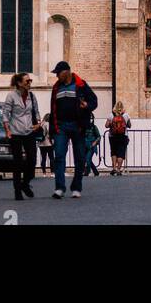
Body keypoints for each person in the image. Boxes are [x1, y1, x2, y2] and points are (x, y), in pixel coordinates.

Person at [49, 61, 98, 199]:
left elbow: (94, 101)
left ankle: (76, 187)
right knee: (59, 156)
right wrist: (53, 128)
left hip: (78, 126)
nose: (57, 76)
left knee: (80, 158)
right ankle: (59, 187)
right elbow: (52, 109)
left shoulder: (81, 85)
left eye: (58, 73)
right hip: (61, 126)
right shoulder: (56, 88)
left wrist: (87, 105)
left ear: (66, 72)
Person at [2, 70, 42, 200]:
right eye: (27, 81)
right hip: (15, 133)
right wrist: (7, 130)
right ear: (19, 83)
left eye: (30, 81)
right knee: (17, 162)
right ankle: (17, 190)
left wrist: (38, 123)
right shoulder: (11, 96)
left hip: (29, 131)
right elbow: (5, 114)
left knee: (32, 160)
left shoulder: (32, 96)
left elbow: (35, 111)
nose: (30, 83)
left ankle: (25, 183)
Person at [105, 102, 131, 175]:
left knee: (113, 151)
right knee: (121, 152)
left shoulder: (111, 115)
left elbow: (106, 125)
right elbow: (129, 125)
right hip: (123, 136)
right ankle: (119, 169)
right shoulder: (126, 115)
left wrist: (111, 125)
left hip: (112, 136)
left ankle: (114, 168)